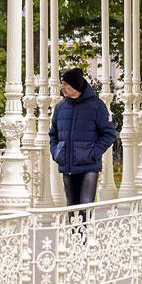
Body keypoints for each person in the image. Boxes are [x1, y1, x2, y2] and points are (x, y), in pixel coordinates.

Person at [49, 67, 116, 207]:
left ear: (76, 85)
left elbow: (109, 134)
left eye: (66, 84)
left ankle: (85, 230)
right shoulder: (60, 107)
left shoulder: (97, 106)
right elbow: (53, 134)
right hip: (67, 166)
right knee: (71, 209)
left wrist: (93, 153)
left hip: (89, 167)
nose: (63, 87)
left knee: (85, 208)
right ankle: (73, 231)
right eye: (63, 84)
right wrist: (56, 152)